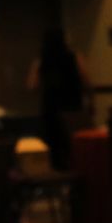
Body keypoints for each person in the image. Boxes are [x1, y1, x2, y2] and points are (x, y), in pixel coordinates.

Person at [27, 28, 90, 169]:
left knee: (53, 146)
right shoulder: (74, 57)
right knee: (72, 146)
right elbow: (86, 81)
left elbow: (31, 85)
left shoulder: (41, 61)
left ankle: (57, 172)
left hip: (51, 108)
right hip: (72, 106)